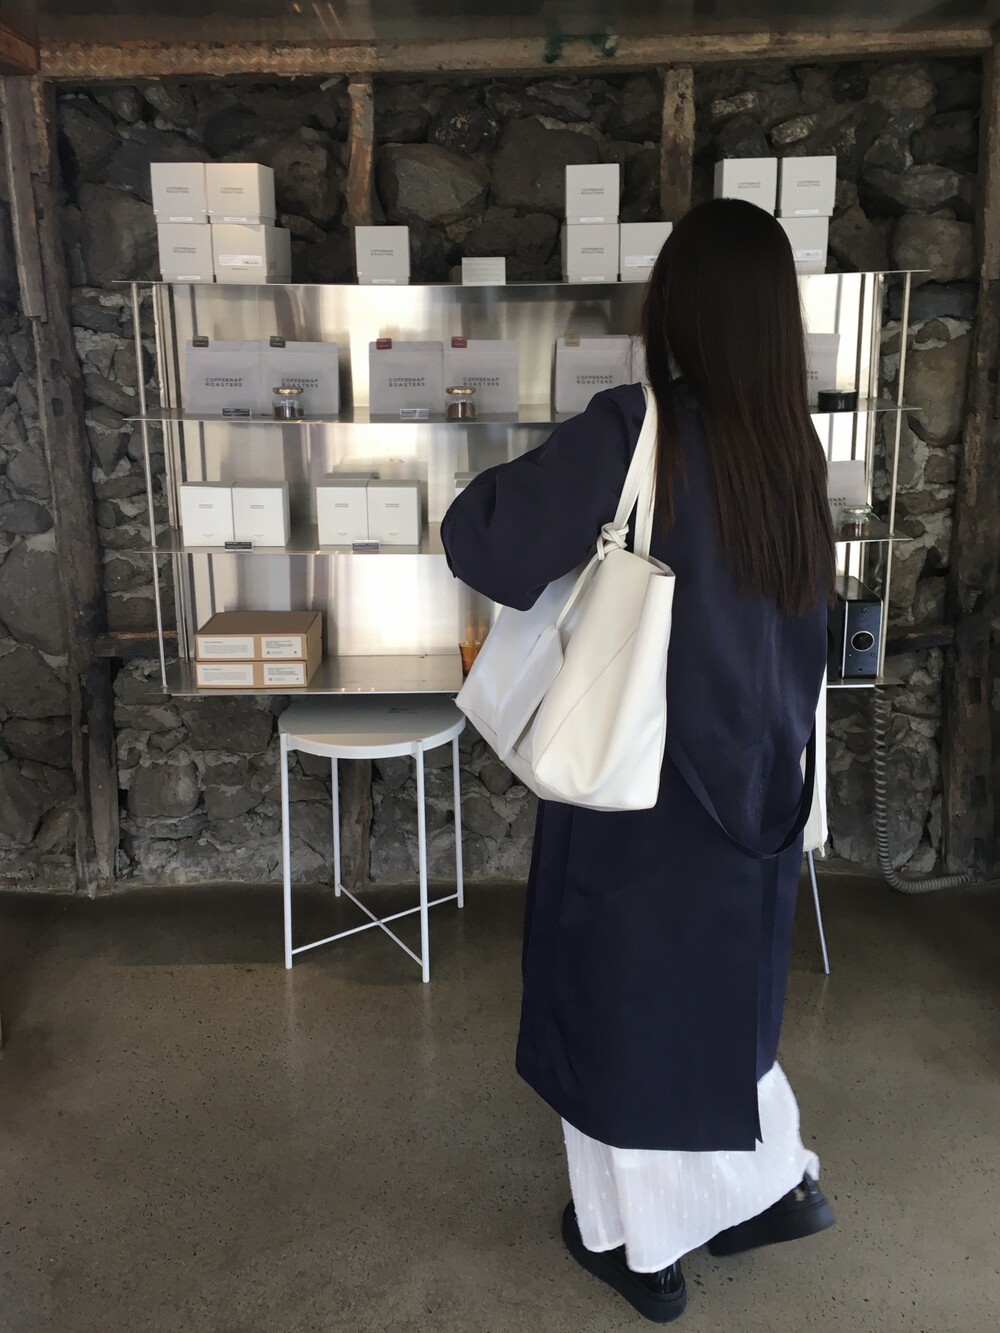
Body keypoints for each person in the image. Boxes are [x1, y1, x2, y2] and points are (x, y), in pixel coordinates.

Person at [440, 197, 837, 1324]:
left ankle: (640, 1247)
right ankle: (768, 1184)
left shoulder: (633, 429)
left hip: (639, 794)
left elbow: (486, 543)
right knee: (719, 1010)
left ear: (676, 309)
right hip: (761, 788)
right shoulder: (795, 450)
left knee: (618, 1020)